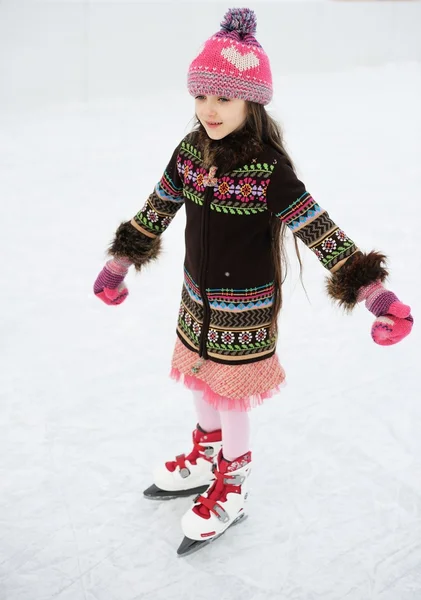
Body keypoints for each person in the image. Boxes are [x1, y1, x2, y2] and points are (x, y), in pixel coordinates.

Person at [93, 8, 413, 555]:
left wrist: (375, 293)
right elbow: (158, 206)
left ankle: (233, 485)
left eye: (223, 98)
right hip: (197, 299)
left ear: (251, 101)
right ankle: (208, 456)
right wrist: (120, 261)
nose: (209, 110)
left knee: (229, 392)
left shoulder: (268, 170)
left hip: (245, 311)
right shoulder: (190, 152)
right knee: (197, 379)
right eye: (201, 96)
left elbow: (319, 229)